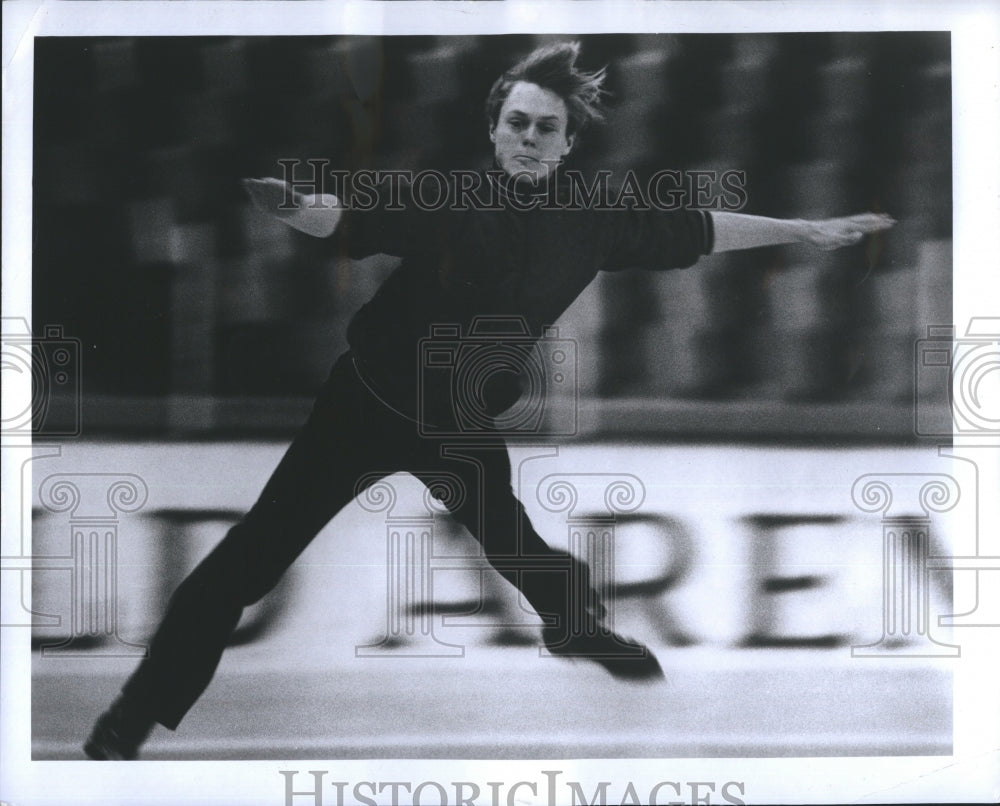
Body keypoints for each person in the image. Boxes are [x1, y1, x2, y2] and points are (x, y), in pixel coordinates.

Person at [84, 41, 894, 760]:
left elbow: (699, 229)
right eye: (518, 123)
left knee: (516, 543)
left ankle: (574, 628)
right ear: (494, 127)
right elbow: (344, 221)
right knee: (245, 565)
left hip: (457, 419)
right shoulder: (442, 197)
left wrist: (801, 229)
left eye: (546, 129)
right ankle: (132, 717)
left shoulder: (593, 219)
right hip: (364, 401)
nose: (530, 140)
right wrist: (294, 207)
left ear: (570, 143)